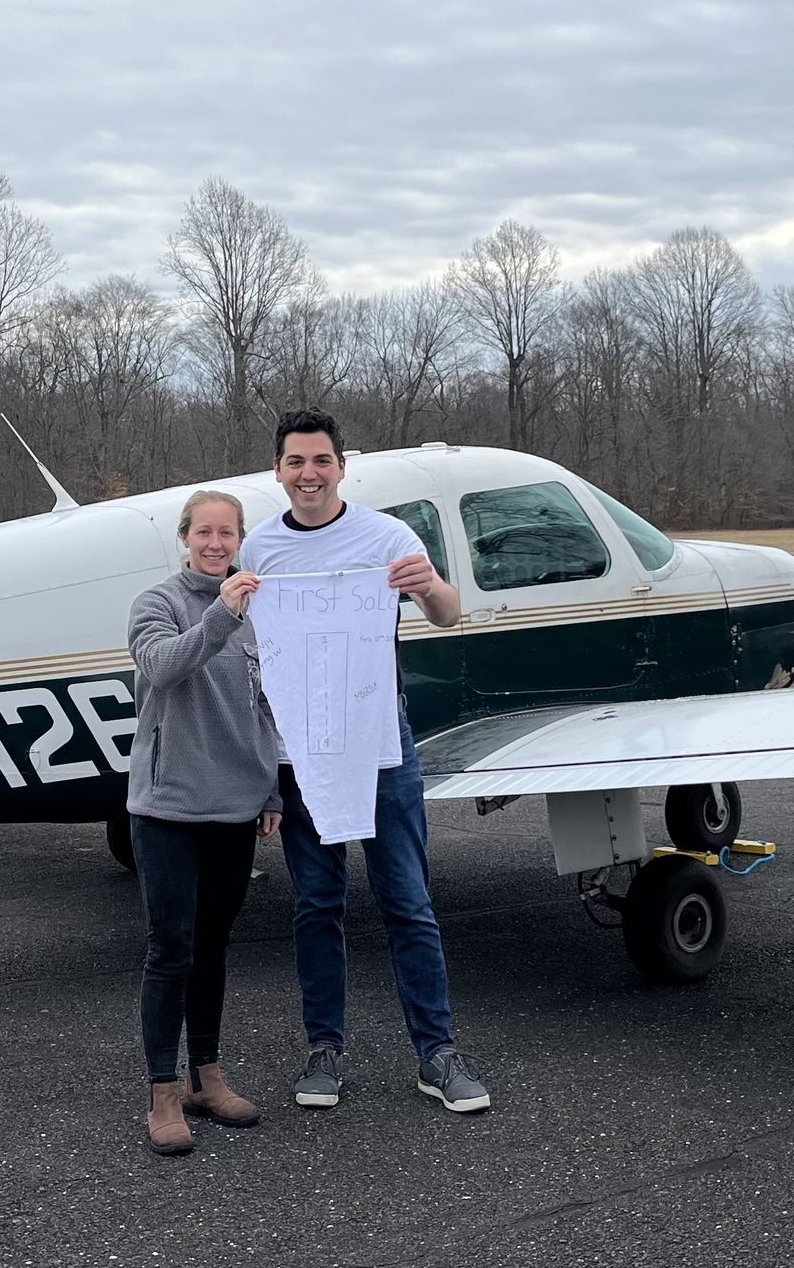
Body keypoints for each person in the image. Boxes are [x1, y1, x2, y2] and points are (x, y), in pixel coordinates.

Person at [239, 408, 492, 1114]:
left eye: (321, 460)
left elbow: (447, 612)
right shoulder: (259, 549)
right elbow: (250, 648)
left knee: (407, 900)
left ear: (342, 468)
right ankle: (324, 1049)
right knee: (317, 903)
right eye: (296, 462)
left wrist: (427, 585)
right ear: (278, 472)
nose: (309, 474)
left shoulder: (388, 537)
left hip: (382, 744)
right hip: (301, 751)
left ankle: (437, 1052)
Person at [125, 489, 284, 1155]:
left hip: (234, 806)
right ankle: (163, 1094)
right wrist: (222, 611)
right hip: (167, 808)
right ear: (185, 538)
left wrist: (271, 789)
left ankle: (205, 1078)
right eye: (204, 533)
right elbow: (163, 666)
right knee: (172, 949)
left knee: (214, 946)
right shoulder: (157, 603)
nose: (216, 544)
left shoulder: (257, 612)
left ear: (239, 539)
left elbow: (263, 705)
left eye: (227, 534)